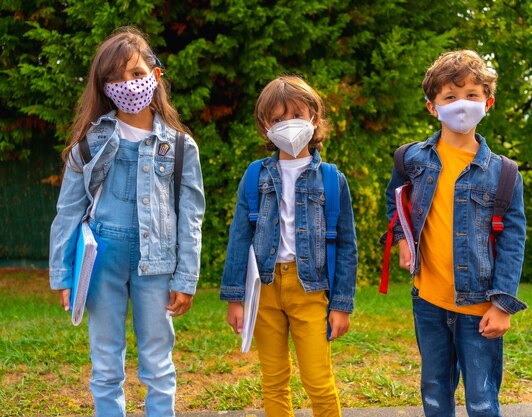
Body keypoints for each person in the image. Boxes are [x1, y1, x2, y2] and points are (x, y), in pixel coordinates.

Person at [48, 27, 205, 417]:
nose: (129, 84)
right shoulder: (88, 143)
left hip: (158, 263)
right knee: (105, 361)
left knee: (157, 361)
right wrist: (63, 274)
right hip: (101, 261)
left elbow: (191, 216)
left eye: (136, 73)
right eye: (117, 77)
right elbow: (68, 211)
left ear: (156, 74)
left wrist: (186, 278)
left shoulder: (181, 146)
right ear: (104, 87)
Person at [383, 50, 527, 417]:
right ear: (432, 106)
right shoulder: (411, 159)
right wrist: (401, 238)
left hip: (480, 306)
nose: (461, 104)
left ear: (488, 102)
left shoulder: (504, 174)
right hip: (428, 301)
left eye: (471, 95)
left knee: (481, 400)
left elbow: (513, 242)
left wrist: (502, 304)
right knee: (434, 392)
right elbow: (395, 201)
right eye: (449, 97)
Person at [220, 75, 358, 417]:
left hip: (309, 289)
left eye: (296, 114)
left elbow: (346, 245)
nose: (287, 124)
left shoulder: (331, 178)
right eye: (278, 118)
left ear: (314, 118)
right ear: (265, 125)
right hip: (264, 289)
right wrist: (235, 298)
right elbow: (239, 238)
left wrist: (341, 304)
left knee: (318, 381)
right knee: (274, 379)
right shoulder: (255, 175)